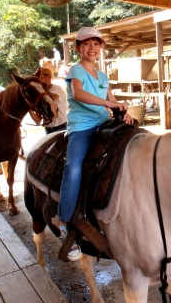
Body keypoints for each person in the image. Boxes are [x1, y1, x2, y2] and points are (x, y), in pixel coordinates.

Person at [59, 26, 133, 261]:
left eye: (96, 44)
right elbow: (78, 94)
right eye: (87, 44)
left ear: (100, 48)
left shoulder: (101, 76)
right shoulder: (76, 70)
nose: (92, 48)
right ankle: (65, 219)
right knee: (74, 168)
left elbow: (111, 100)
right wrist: (109, 104)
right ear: (79, 48)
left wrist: (122, 109)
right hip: (82, 126)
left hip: (103, 124)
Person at [29, 67, 68, 134]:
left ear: (49, 77)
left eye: (40, 77)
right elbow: (37, 121)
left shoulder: (56, 88)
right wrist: (28, 108)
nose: (38, 80)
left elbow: (53, 97)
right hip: (48, 130)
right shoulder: (40, 95)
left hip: (61, 127)